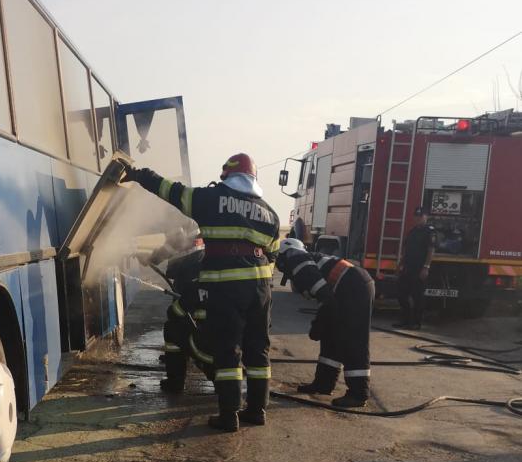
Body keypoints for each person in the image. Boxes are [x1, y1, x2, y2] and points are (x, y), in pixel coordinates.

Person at [125, 153, 280, 431]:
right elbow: (273, 254)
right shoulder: (270, 213)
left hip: (226, 287)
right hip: (261, 289)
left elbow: (170, 191)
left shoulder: (210, 200)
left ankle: (229, 414)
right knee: (258, 350)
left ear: (227, 177)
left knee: (228, 350)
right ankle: (257, 410)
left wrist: (139, 174)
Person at [276, 238, 375, 408]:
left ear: (284, 254)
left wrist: (319, 322)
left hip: (354, 287)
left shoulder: (297, 260)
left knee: (353, 339)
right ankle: (323, 384)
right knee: (331, 336)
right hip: (349, 286)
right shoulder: (304, 260)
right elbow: (326, 296)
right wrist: (324, 323)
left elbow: (325, 296)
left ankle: (358, 394)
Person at [145, 228, 214, 393]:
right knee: (186, 314)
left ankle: (177, 379)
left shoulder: (183, 221)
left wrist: (151, 258)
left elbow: (175, 241)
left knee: (175, 322)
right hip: (191, 266)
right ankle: (189, 356)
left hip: (187, 267)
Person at [395, 206, 435, 330]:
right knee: (401, 294)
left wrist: (426, 267)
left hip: (419, 268)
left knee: (418, 296)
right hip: (408, 267)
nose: (418, 219)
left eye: (421, 216)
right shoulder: (412, 231)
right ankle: (406, 320)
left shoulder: (430, 232)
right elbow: (406, 250)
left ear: (426, 217)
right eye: (416, 216)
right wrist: (400, 264)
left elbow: (431, 250)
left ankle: (416, 323)